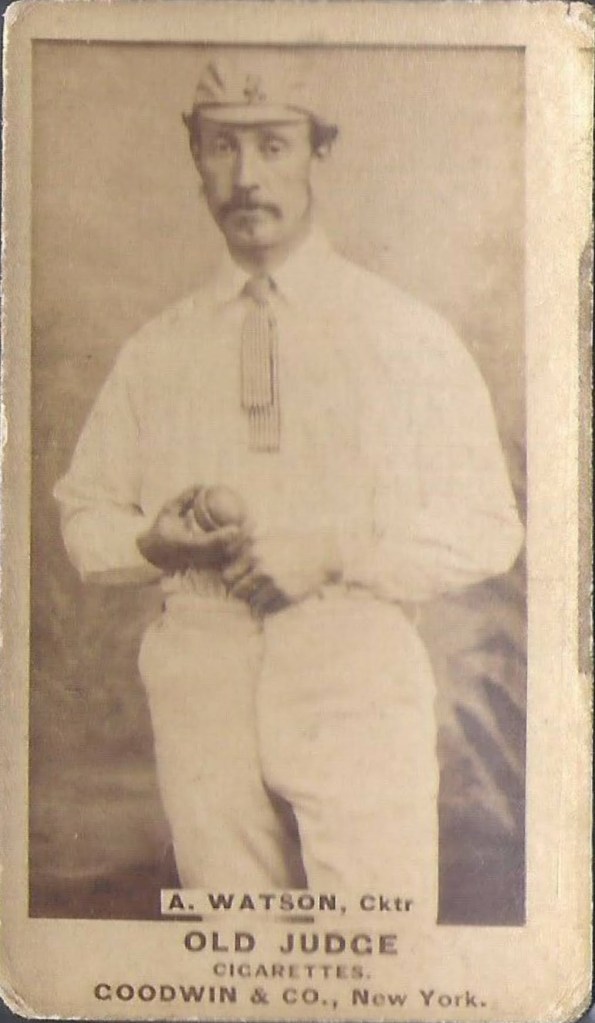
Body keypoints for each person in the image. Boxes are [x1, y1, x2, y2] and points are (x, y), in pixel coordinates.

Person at [54, 56, 523, 910]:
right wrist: (151, 541)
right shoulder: (157, 351)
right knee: (229, 946)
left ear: (318, 151)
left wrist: (333, 551)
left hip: (353, 664)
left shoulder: (401, 334)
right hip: (199, 677)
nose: (246, 177)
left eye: (272, 145)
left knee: (375, 945)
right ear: (195, 155)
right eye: (222, 146)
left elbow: (488, 526)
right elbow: (86, 517)